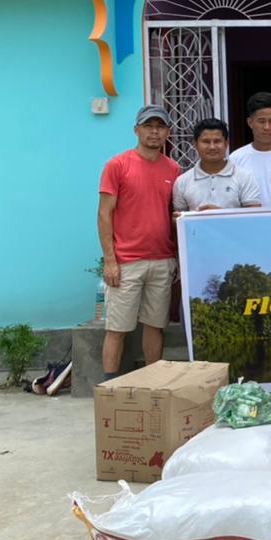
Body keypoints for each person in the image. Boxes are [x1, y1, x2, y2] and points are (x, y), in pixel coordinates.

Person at [97, 104, 182, 381]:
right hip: (126, 262)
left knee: (155, 326)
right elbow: (104, 214)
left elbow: (173, 215)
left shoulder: (174, 168)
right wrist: (110, 260)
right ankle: (109, 385)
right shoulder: (117, 165)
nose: (154, 132)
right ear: (136, 130)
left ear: (168, 132)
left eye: (160, 127)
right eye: (148, 126)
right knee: (117, 328)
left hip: (162, 259)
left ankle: (152, 383)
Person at [172, 117, 261, 214]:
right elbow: (178, 219)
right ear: (195, 144)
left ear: (226, 144)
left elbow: (254, 217)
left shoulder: (244, 177)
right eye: (206, 142)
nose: (212, 147)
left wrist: (219, 215)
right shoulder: (182, 181)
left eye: (217, 141)